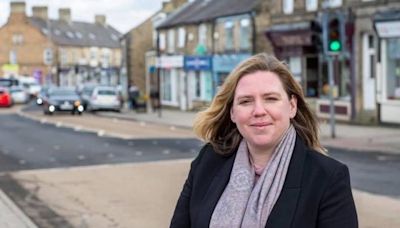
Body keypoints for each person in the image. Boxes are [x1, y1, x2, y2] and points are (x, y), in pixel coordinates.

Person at [170, 53, 358, 228]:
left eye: (270, 99)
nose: (259, 111)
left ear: (292, 106)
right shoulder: (208, 161)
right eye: (245, 101)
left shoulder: (327, 177)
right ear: (233, 113)